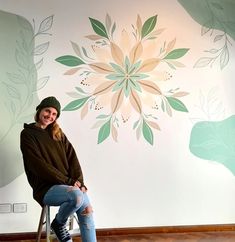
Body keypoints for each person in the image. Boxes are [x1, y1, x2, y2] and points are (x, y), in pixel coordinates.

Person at [20, 96, 97, 242]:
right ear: (39, 110)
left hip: (67, 185)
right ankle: (59, 223)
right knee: (77, 196)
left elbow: (73, 159)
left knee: (87, 209)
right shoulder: (28, 134)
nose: (50, 116)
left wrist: (79, 181)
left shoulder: (58, 134)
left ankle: (60, 224)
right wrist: (68, 181)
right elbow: (38, 166)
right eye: (47, 111)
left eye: (54, 114)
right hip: (45, 188)